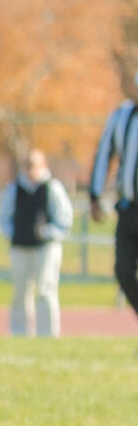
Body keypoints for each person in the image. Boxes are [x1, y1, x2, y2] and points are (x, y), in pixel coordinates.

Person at [0, 147, 73, 338]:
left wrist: (47, 233)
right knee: (21, 292)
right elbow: (3, 216)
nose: (31, 169)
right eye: (28, 165)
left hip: (45, 248)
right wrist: (15, 234)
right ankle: (19, 332)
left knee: (46, 289)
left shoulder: (51, 187)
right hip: (20, 247)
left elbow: (64, 218)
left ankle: (47, 333)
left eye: (34, 165)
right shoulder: (14, 188)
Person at [89, 65, 138, 323]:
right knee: (124, 271)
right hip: (129, 208)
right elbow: (105, 154)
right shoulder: (121, 117)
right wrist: (95, 196)